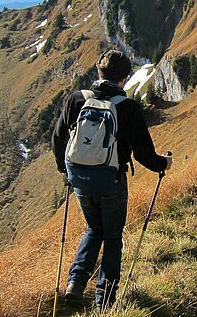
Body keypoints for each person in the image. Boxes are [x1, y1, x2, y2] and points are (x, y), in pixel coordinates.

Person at [52, 50, 173, 310]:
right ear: (125, 77)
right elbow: (142, 152)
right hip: (111, 181)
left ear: (99, 72)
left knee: (94, 229)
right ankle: (103, 301)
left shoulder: (76, 100)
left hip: (79, 179)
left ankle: (75, 283)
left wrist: (65, 170)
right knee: (113, 237)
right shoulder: (127, 107)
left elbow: (58, 138)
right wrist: (163, 164)